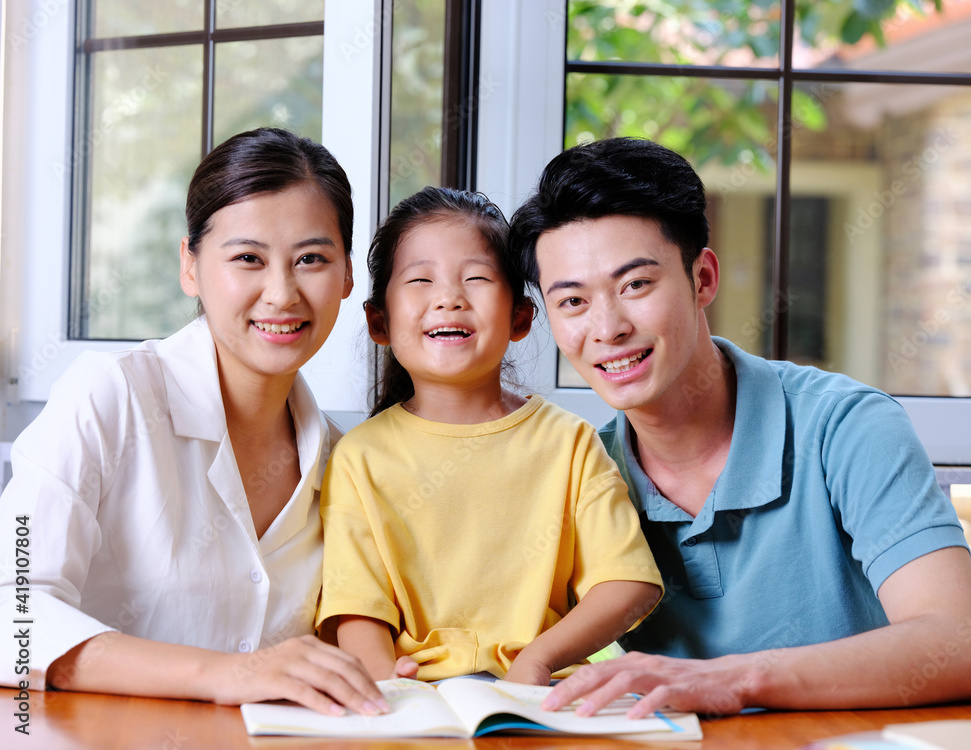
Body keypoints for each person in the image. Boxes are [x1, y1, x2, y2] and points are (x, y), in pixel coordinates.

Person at [507, 137, 971, 716]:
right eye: (572, 302)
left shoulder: (846, 427)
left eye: (636, 284)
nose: (607, 327)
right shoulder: (583, 473)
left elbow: (959, 648)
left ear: (702, 279)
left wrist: (730, 681)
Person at [0, 127, 391, 716]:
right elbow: (13, 615)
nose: (281, 293)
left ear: (346, 279)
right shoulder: (110, 397)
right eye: (248, 259)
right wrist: (231, 674)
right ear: (191, 266)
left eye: (311, 259)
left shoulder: (345, 461)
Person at [315, 186, 663, 685]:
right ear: (379, 321)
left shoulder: (570, 444)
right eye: (419, 279)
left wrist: (538, 659)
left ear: (520, 316)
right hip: (411, 699)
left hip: (539, 697)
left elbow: (628, 581)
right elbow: (355, 606)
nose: (449, 298)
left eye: (476, 278)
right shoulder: (359, 457)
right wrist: (387, 690)